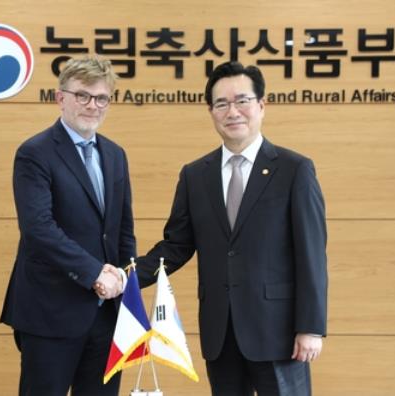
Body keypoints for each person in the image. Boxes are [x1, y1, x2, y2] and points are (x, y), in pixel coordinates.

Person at [136, 61, 327, 396]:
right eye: (221, 104)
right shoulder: (195, 175)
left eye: (242, 100)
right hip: (220, 333)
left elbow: (311, 254)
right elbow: (176, 246)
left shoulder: (294, 169)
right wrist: (126, 277)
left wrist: (310, 327)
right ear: (211, 111)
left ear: (262, 105)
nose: (232, 111)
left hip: (279, 333)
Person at [0, 56, 136, 396]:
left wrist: (123, 280)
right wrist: (94, 274)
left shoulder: (115, 155)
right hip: (51, 312)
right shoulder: (35, 153)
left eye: (102, 98)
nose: (93, 105)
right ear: (61, 98)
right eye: (83, 96)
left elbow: (122, 231)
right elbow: (38, 228)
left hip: (107, 316)